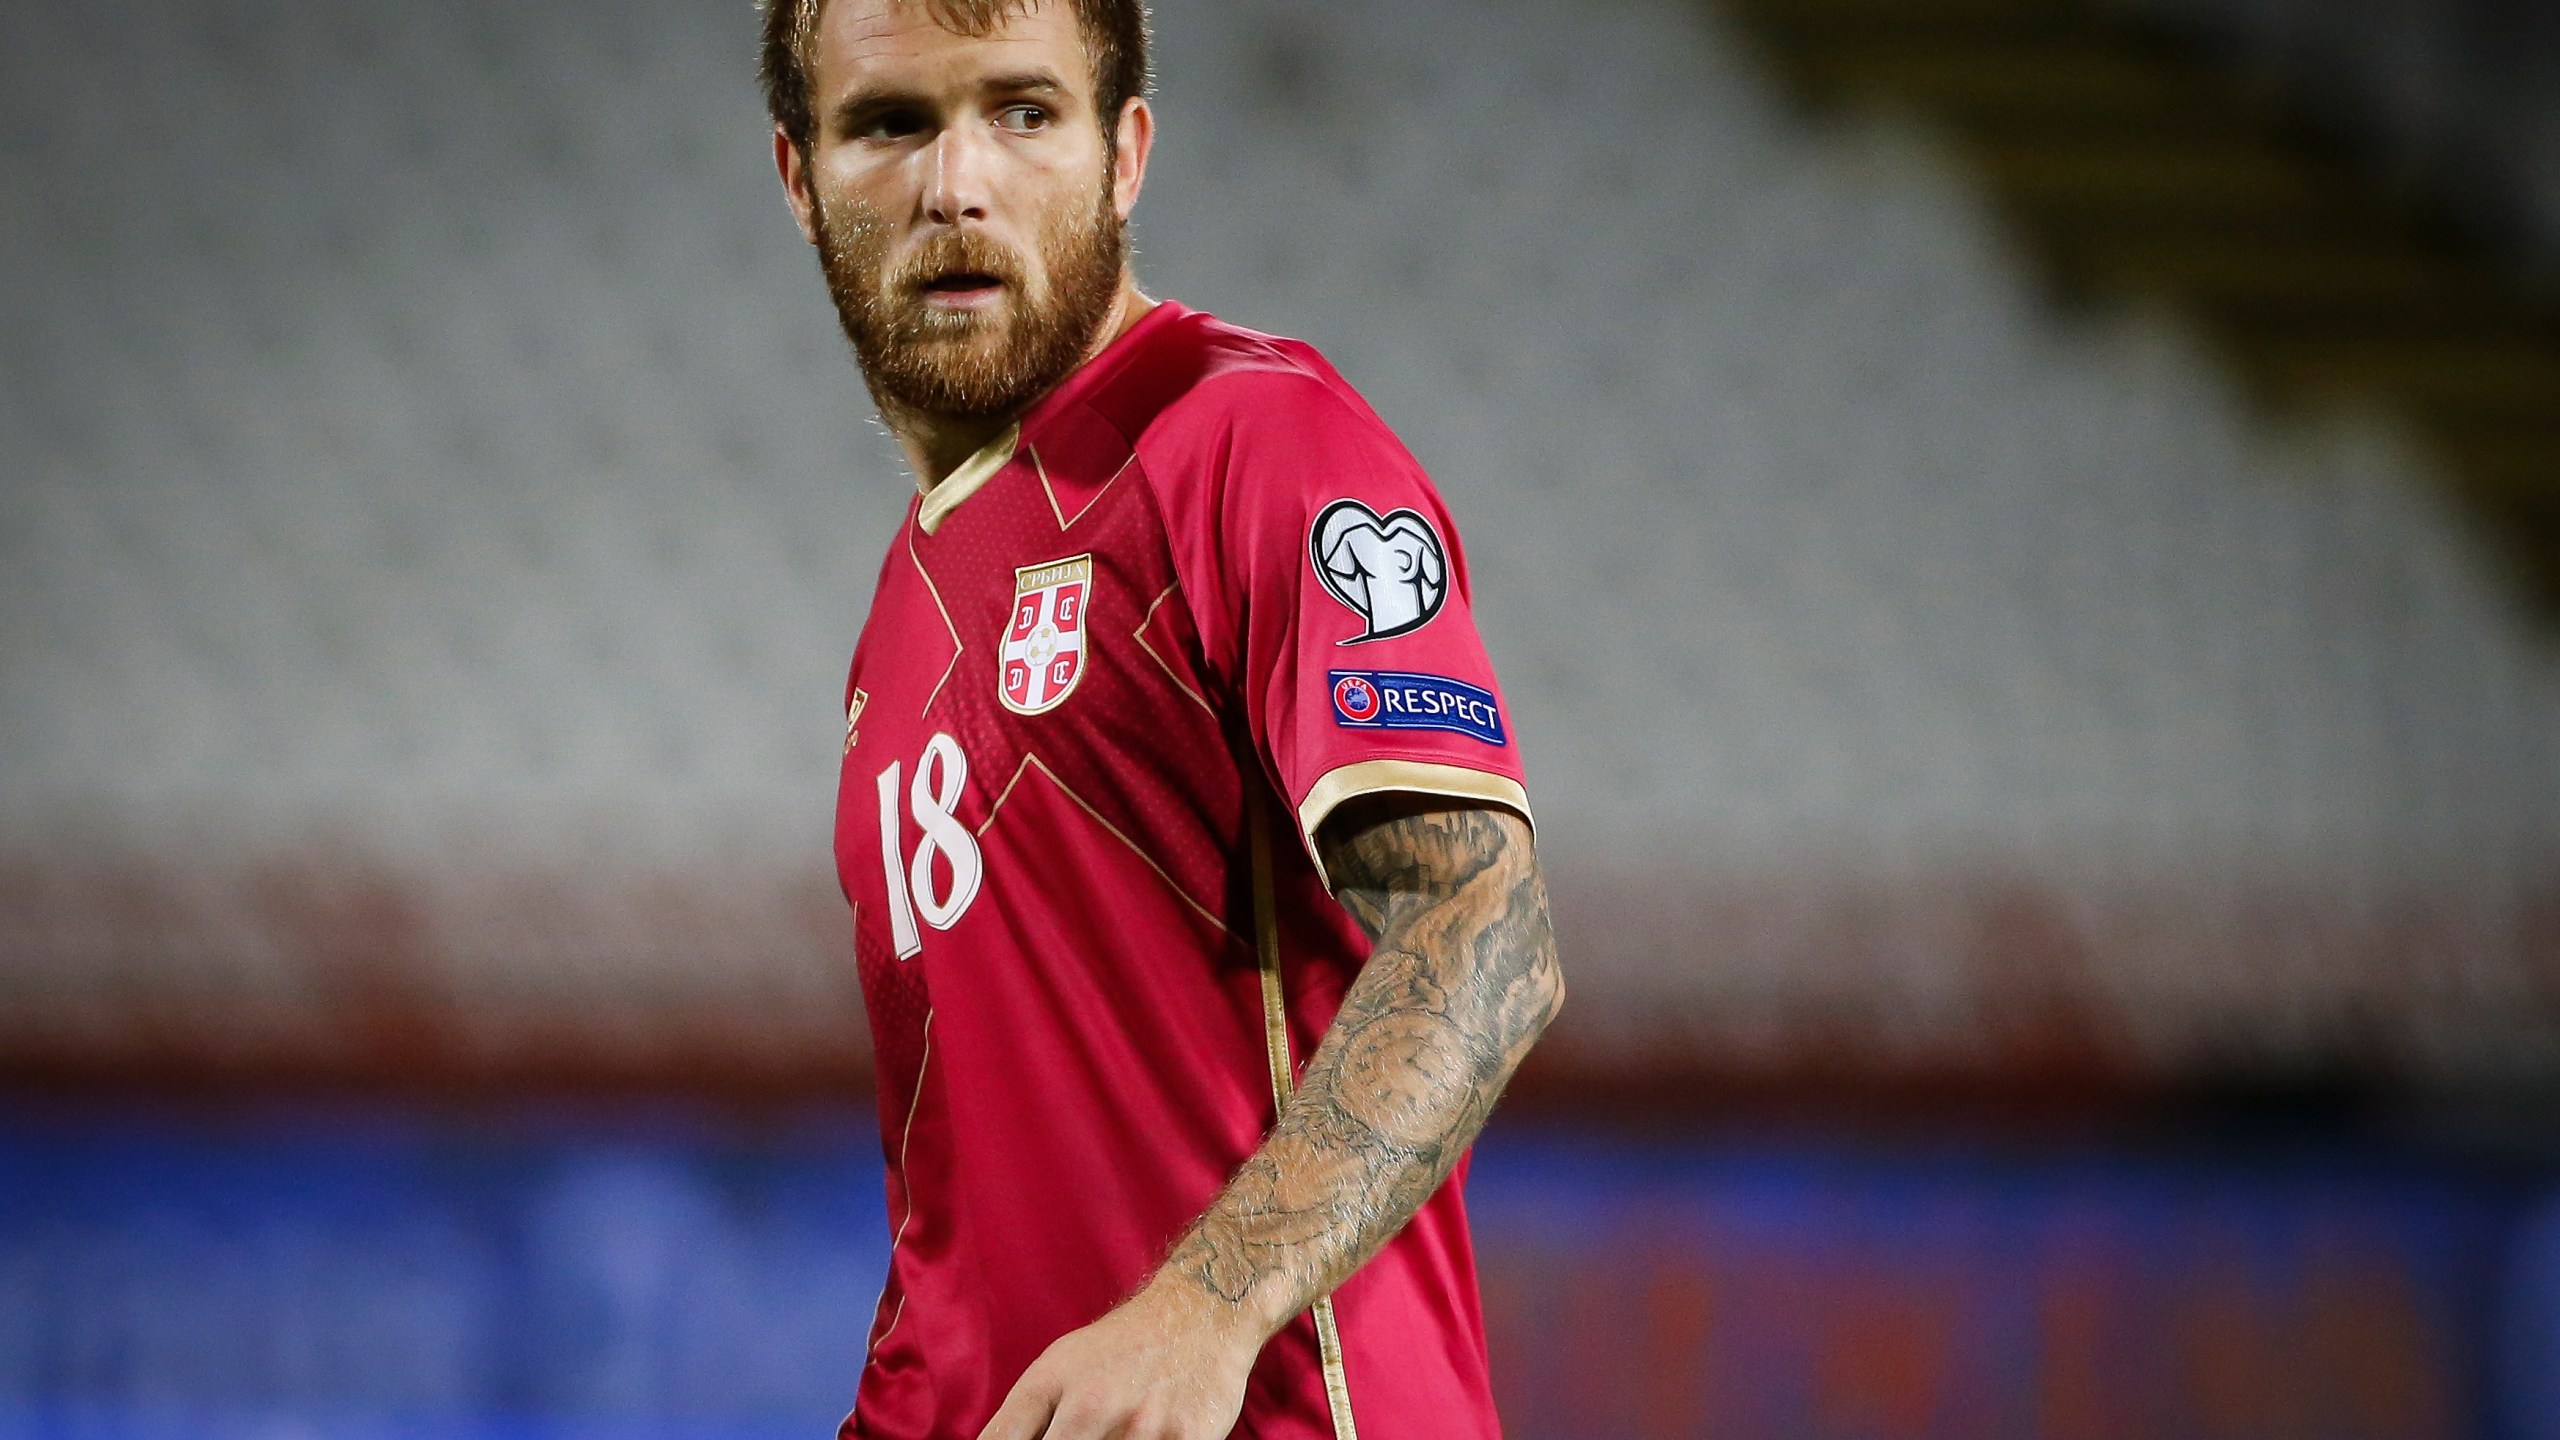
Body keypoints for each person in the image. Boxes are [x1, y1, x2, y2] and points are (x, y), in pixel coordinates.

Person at [759, 2, 1563, 1436]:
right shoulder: (909, 603)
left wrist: (1207, 1306)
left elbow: (1487, 931)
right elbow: (953, 1230)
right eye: (891, 123)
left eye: (1023, 112)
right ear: (797, 178)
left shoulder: (1252, 440)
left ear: (1125, 153)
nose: (958, 186)